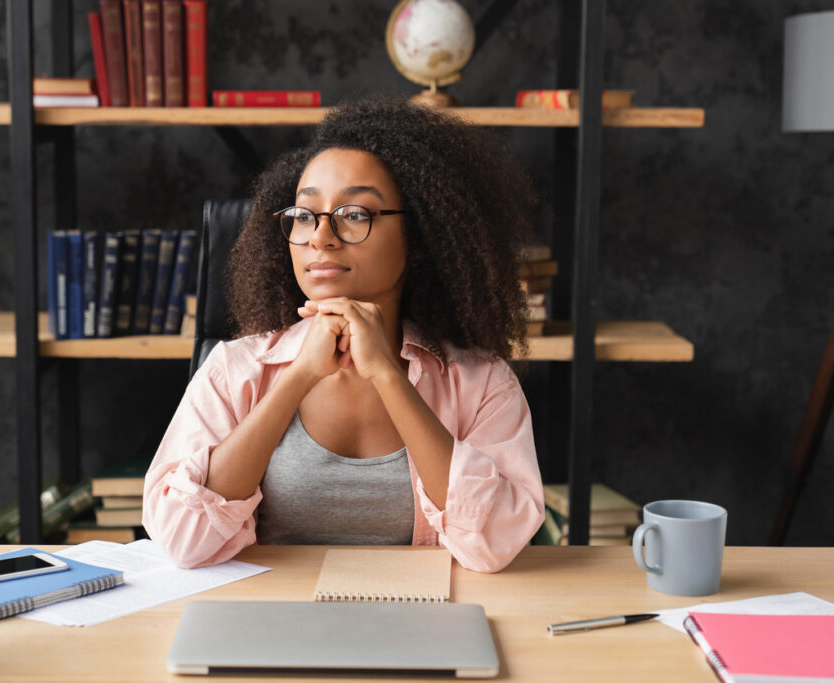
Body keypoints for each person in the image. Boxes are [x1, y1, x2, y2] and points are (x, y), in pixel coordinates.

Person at [143, 96, 544, 573]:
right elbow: (181, 541)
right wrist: (297, 377)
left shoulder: (480, 383)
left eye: (355, 214)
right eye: (305, 215)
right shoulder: (234, 370)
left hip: (421, 625)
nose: (320, 236)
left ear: (418, 240)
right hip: (271, 624)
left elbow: (497, 544)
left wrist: (388, 376)